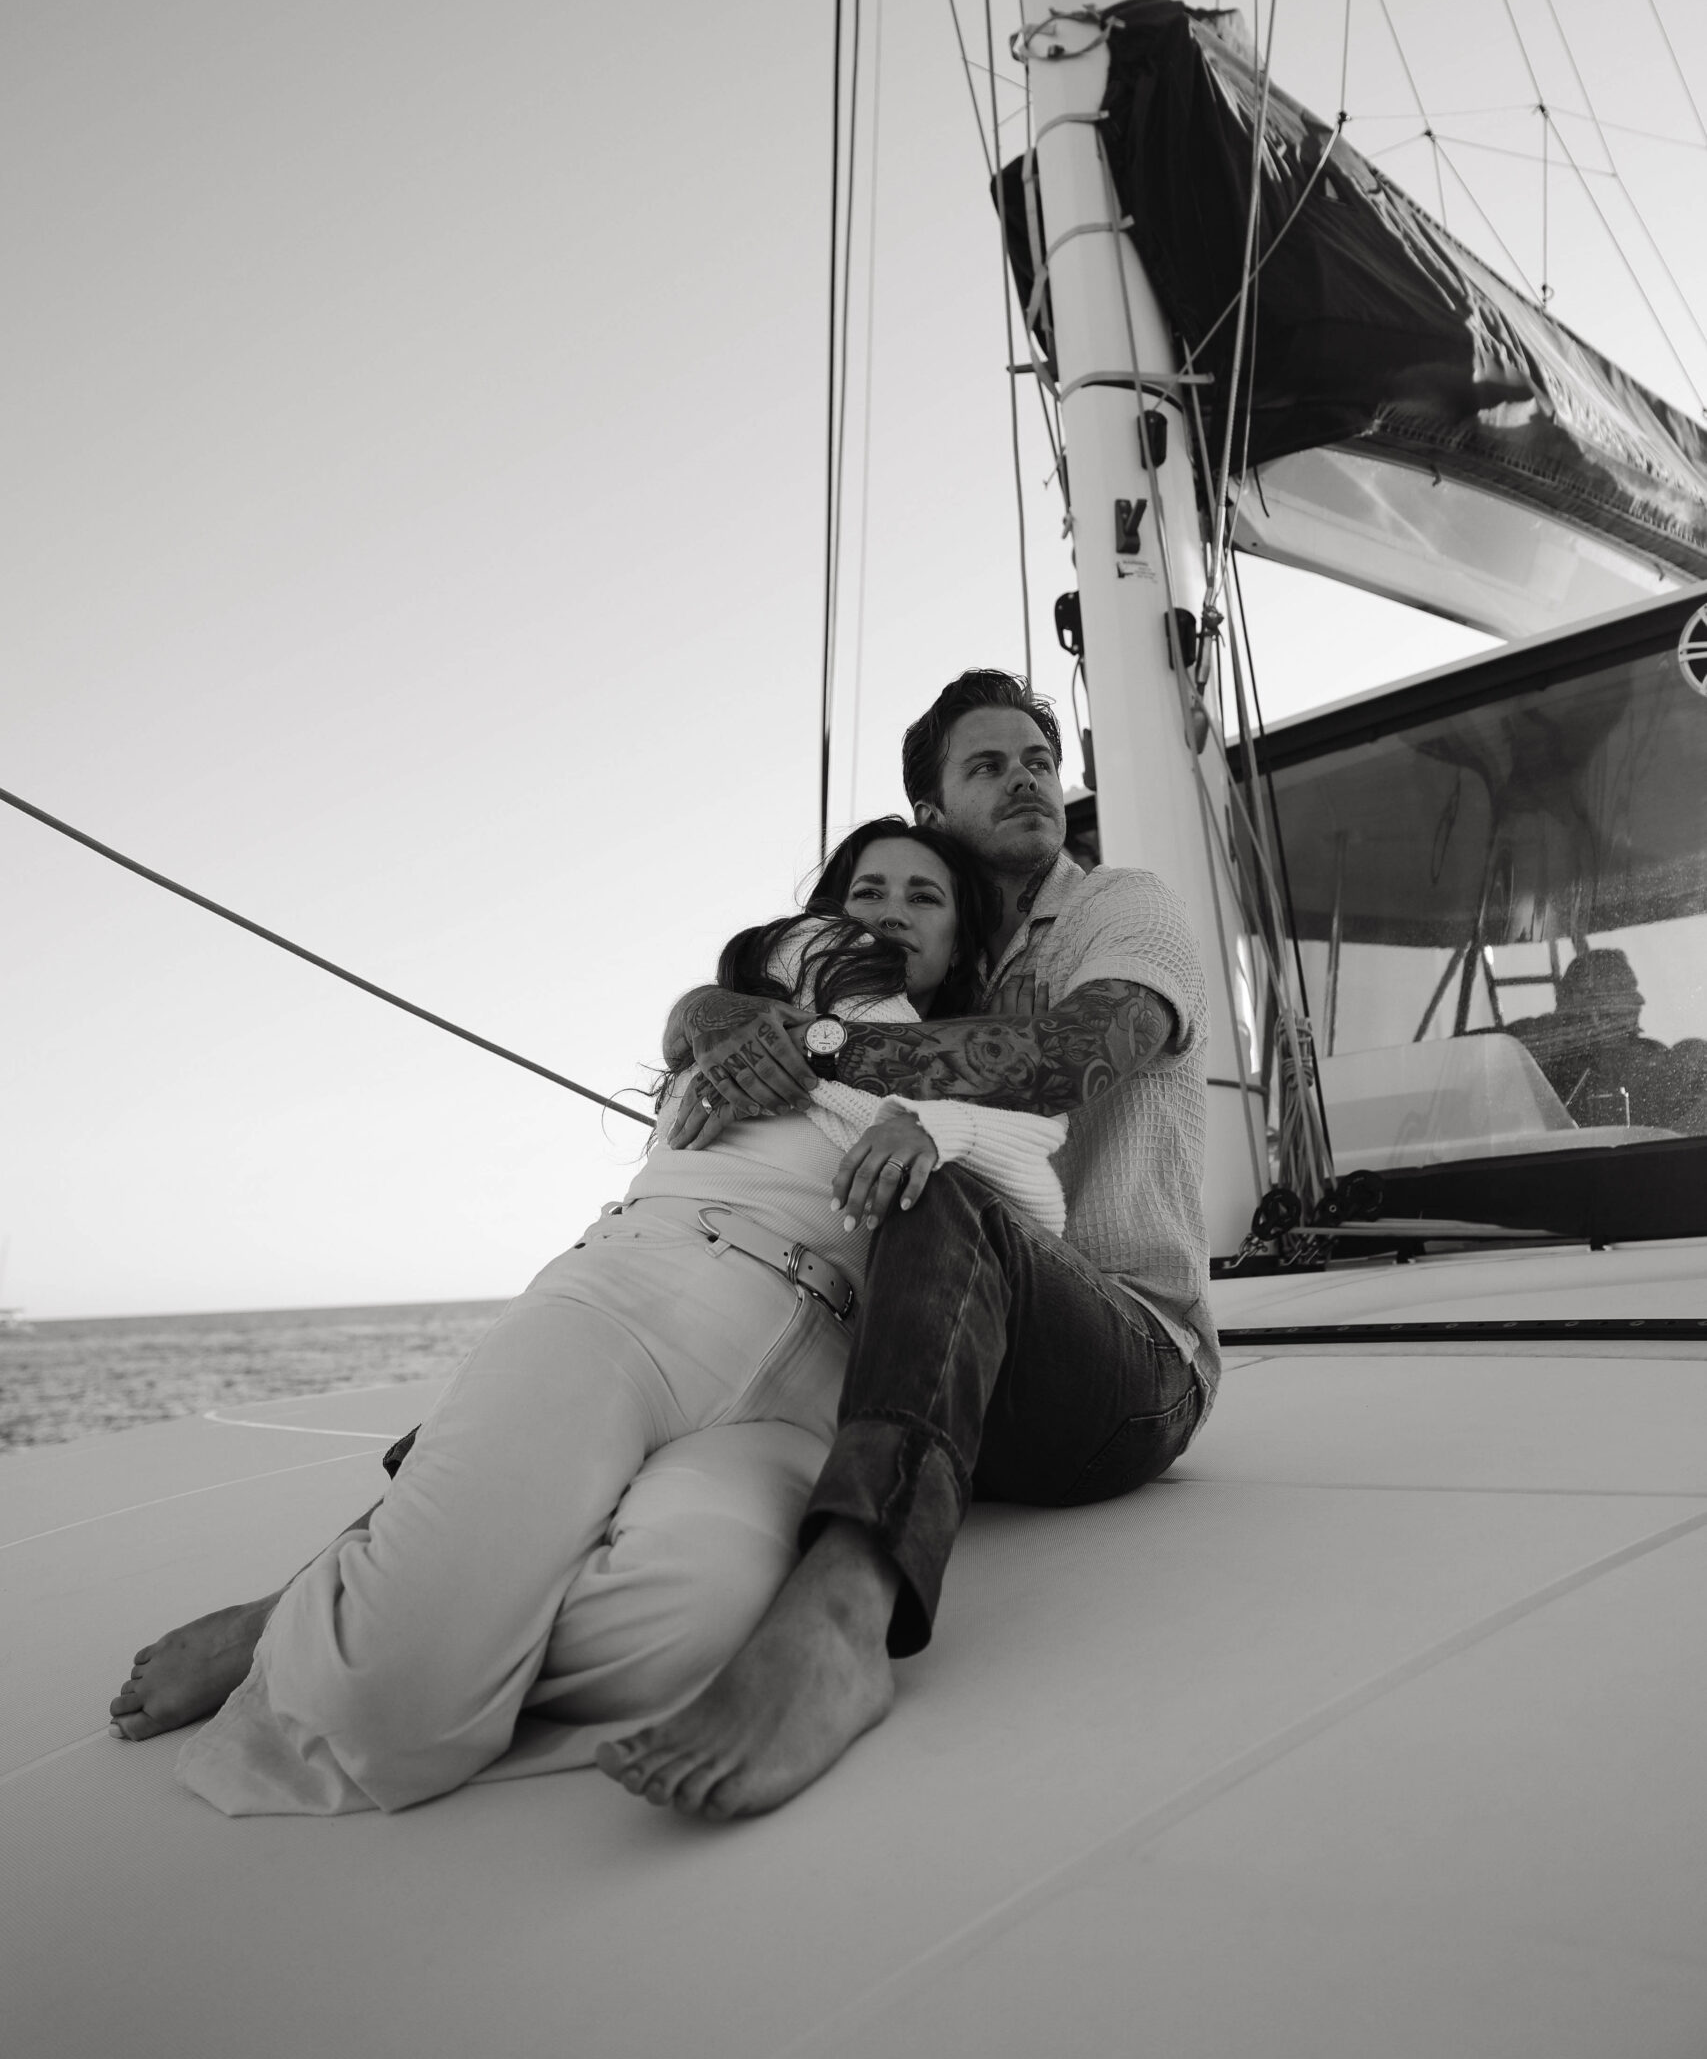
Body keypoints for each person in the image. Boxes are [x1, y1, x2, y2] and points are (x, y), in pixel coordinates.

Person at [113, 817, 1069, 1813]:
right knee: (372, 1707)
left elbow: (1039, 1189)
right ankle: (319, 1629)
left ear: (962, 944)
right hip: (656, 1288)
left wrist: (937, 1123)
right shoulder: (805, 970)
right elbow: (805, 1043)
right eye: (869, 889)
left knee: (688, 1625)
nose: (891, 915)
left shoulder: (944, 1055)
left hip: (810, 1382)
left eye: (925, 898)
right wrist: (749, 1024)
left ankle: (378, 1608)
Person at [597, 668, 1216, 1820]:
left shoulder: (1121, 908)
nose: (1030, 777)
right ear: (932, 814)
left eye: (1038, 757)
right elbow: (732, 1000)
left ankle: (844, 1612)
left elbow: (1049, 1065)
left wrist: (800, 1038)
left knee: (942, 1179)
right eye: (989, 765)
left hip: (1132, 1365)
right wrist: (707, 1016)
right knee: (708, 1241)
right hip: (949, 1372)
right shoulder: (925, 958)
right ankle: (370, 1571)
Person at [1509, 947, 1707, 1133]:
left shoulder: (1657, 1054)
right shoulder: (1529, 1047)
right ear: (1582, 996)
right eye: (1624, 989)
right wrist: (1578, 1030)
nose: (1640, 1000)